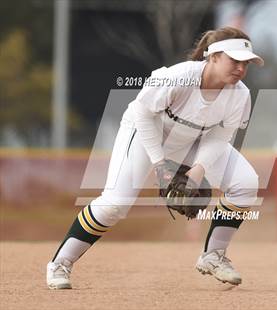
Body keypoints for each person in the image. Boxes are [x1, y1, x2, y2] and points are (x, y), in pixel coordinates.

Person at [46, 26, 264, 289]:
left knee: (245, 183)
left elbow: (220, 137)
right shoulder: (178, 77)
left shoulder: (240, 95)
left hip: (194, 140)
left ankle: (213, 256)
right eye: (235, 60)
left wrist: (197, 171)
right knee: (115, 204)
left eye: (246, 63)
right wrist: (160, 164)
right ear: (214, 56)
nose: (241, 68)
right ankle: (60, 264)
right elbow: (143, 113)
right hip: (145, 131)